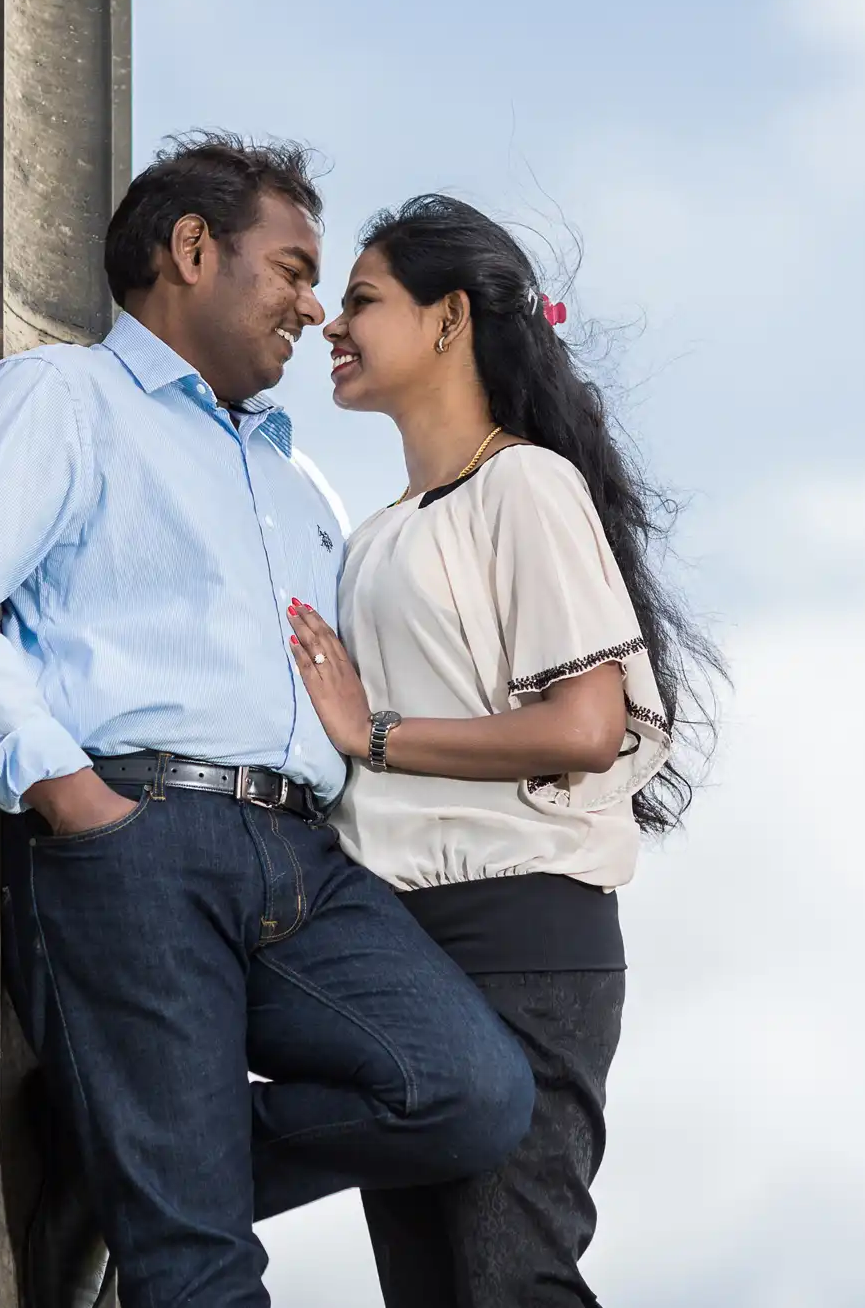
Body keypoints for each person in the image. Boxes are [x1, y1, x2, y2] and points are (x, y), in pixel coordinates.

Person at [0, 137, 536, 1308]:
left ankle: (114, 1154)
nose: (311, 304)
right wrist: (71, 796)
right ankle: (149, 1169)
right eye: (288, 266)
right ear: (190, 249)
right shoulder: (64, 396)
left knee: (468, 1091)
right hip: (138, 841)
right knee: (200, 1271)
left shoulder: (298, 481)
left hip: (305, 861)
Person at [288, 195, 722, 1307]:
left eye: (361, 300)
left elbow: (585, 725)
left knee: (508, 1283)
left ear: (447, 320)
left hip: (522, 935)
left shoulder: (523, 484)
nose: (331, 325)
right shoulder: (379, 529)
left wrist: (369, 731)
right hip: (395, 942)